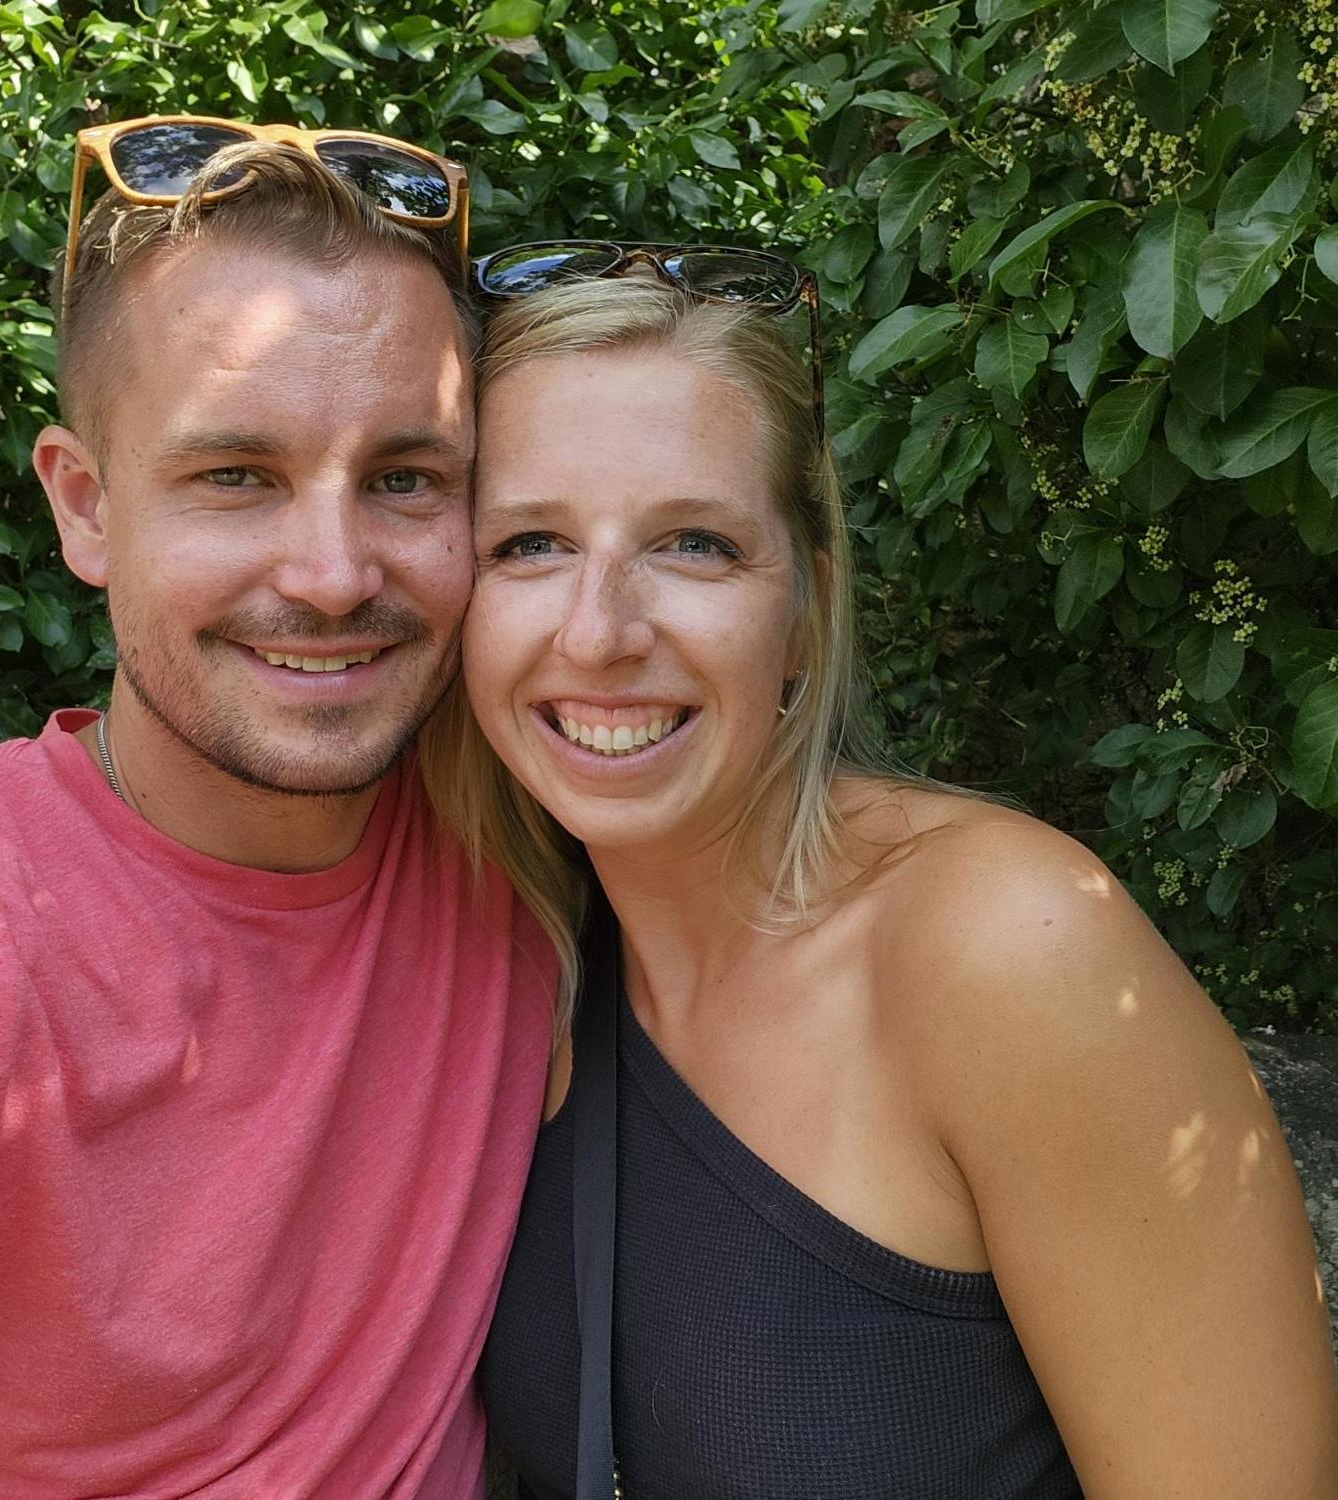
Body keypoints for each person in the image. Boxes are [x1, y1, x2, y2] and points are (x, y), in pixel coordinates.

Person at [419, 254, 1338, 1497]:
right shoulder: (521, 957)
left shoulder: (1006, 949)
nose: (599, 631)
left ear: (807, 607)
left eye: (695, 544)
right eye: (530, 544)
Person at [0, 123, 554, 1497]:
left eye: (405, 479)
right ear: (86, 508)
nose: (335, 575)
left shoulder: (530, 832)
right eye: (236, 476)